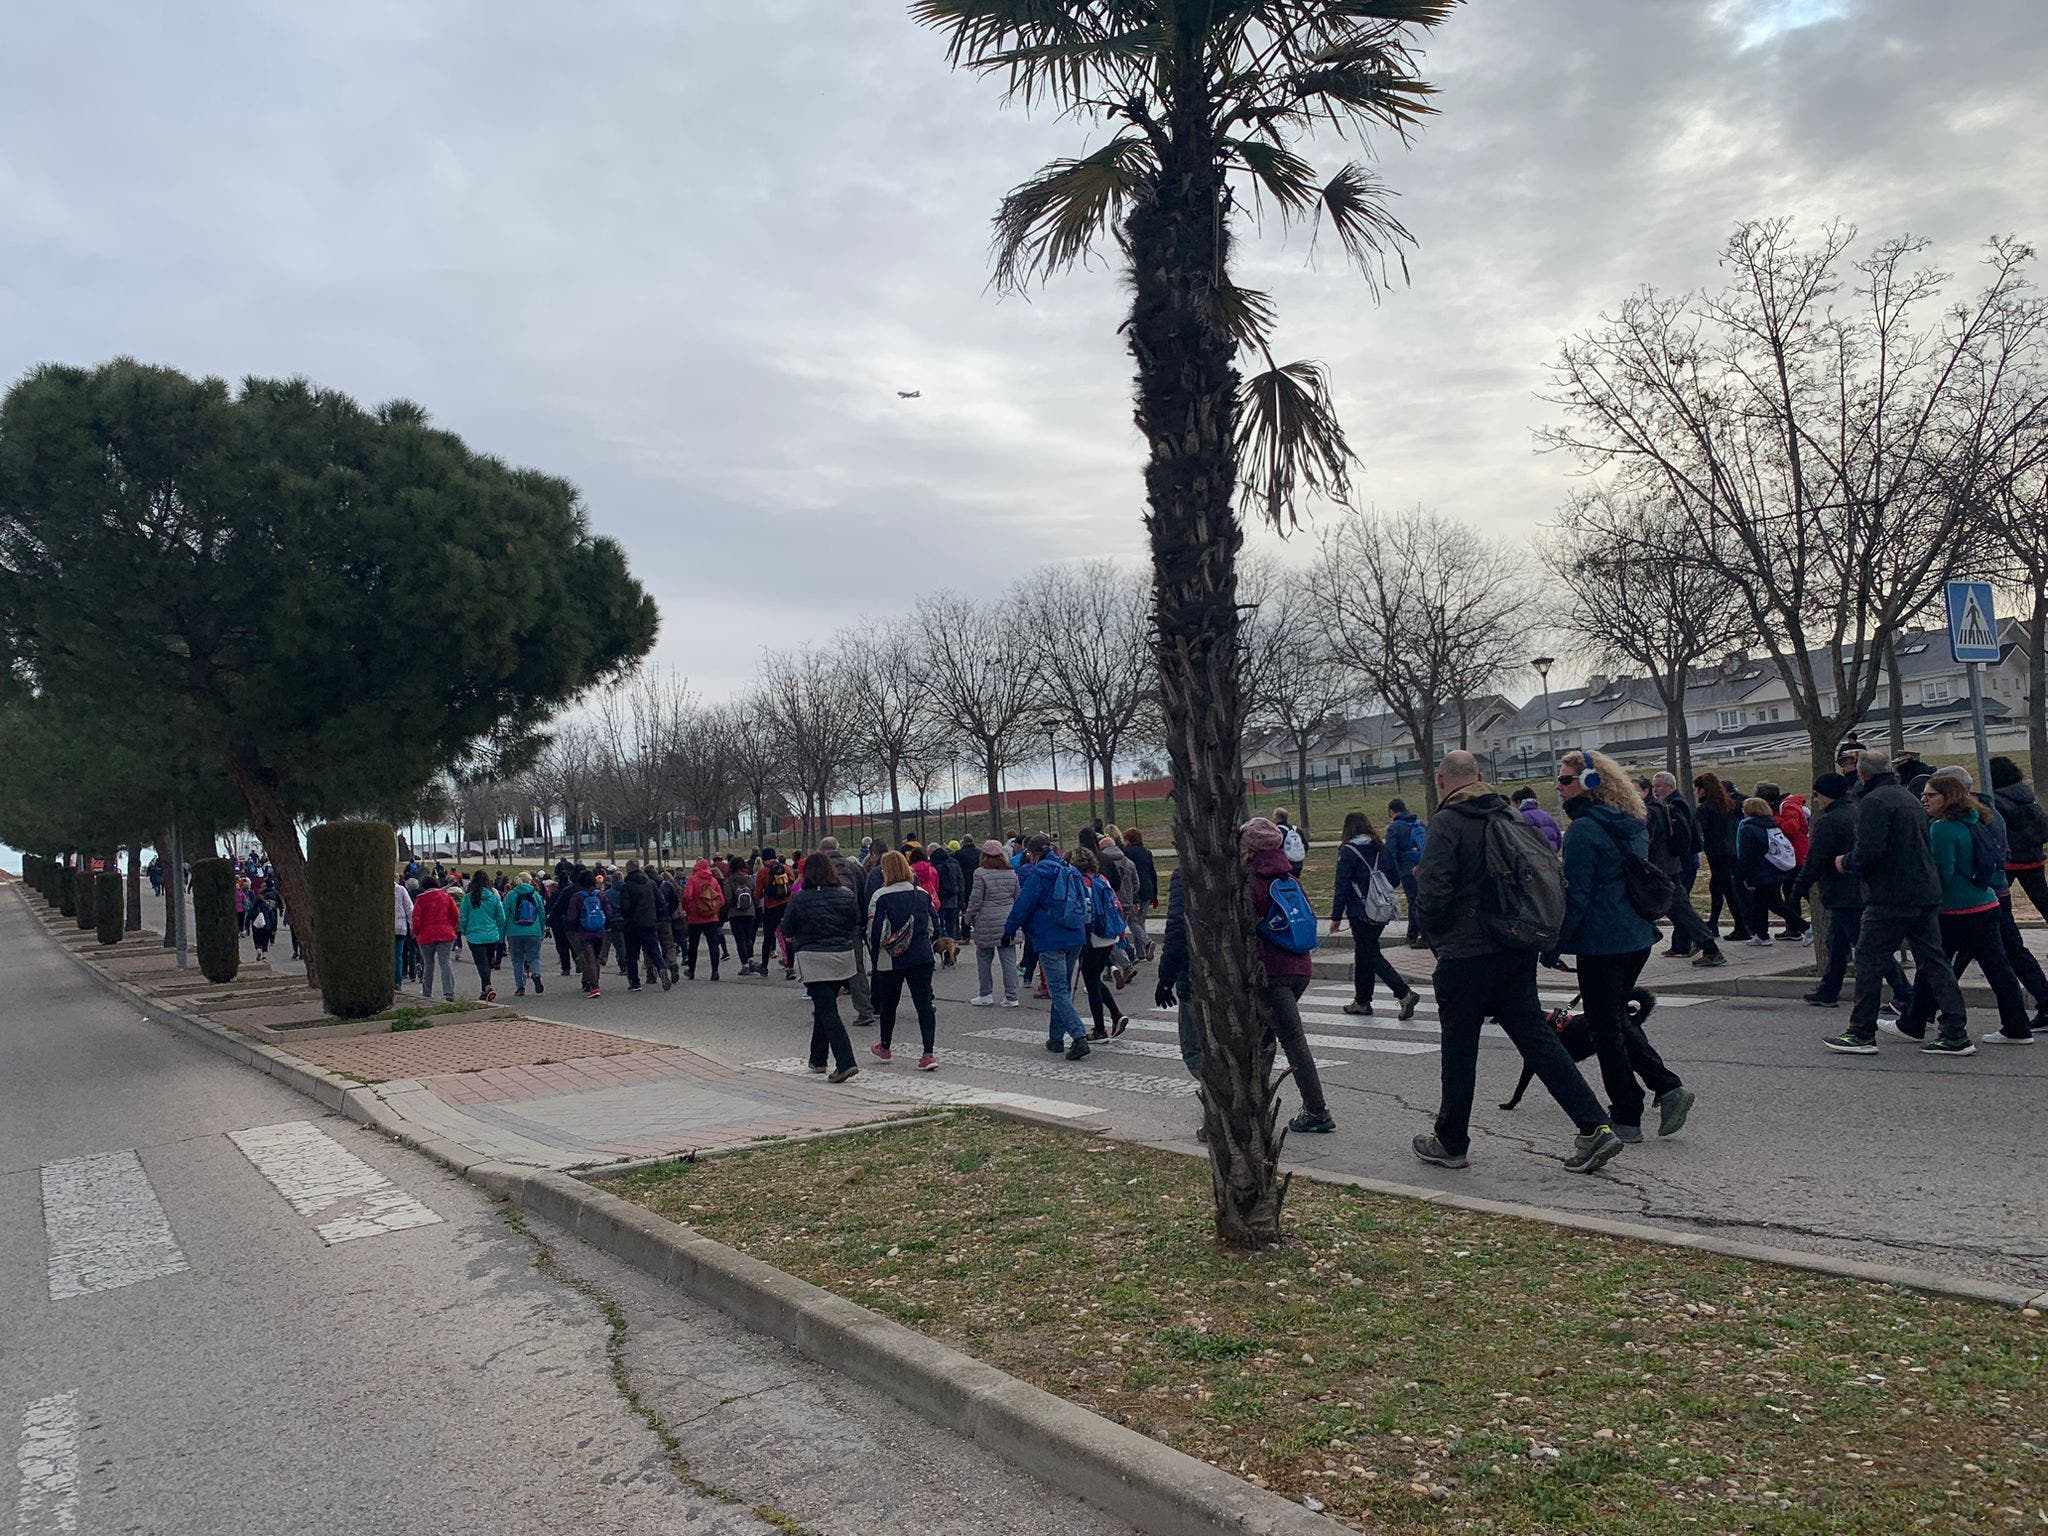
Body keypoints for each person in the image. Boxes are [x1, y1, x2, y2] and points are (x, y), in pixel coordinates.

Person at [1411, 750, 1624, 1174]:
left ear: (1441, 781)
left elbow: (1432, 893)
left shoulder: (1448, 822)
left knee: (1459, 1049)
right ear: (1481, 775)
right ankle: (1594, 1125)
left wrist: (1437, 937)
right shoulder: (1509, 814)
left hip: (1466, 953)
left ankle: (1451, 1141)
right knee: (1539, 1041)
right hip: (1514, 946)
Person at [1554, 751, 1695, 1144]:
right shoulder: (1631, 821)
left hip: (1603, 942)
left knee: (1604, 1030)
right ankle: (1667, 1087)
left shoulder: (1583, 831)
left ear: (1591, 783)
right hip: (1636, 936)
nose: (1558, 787)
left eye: (1565, 780)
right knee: (1613, 1018)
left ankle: (1627, 1114)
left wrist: (1554, 944)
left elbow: (1577, 897)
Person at [1823, 748, 1970, 1055]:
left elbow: (1870, 850)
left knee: (1869, 958)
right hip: (1924, 890)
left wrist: (1845, 862)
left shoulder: (1874, 801)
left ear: (1862, 773)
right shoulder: (1908, 797)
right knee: (1934, 961)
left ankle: (1861, 1031)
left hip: (1890, 895)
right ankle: (1955, 1030)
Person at [1891, 770, 2031, 1047]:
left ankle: (1919, 1023)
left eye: (1930, 795)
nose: (1924, 799)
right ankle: (2017, 1026)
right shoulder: (1976, 818)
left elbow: (1941, 873)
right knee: (1997, 967)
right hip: (1986, 901)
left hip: (1955, 909)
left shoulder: (1942, 828)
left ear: (1948, 797)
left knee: (1934, 966)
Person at [1240, 817, 1334, 1134]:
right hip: (1299, 967)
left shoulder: (1252, 881)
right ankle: (1253, 1106)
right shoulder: (1289, 877)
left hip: (1271, 972)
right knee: (1264, 1038)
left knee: (1291, 1040)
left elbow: (1243, 927)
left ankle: (1317, 1110)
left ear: (1248, 848)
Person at [1793, 773, 1909, 1011]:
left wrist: (1798, 889)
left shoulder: (1829, 821)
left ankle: (1905, 992)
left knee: (1869, 947)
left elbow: (1816, 859)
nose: (1816, 800)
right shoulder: (1856, 811)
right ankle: (1828, 990)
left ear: (1825, 795)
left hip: (1843, 892)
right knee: (1837, 943)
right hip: (1860, 888)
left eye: (1817, 795)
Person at [1002, 834, 1092, 1059]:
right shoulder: (1070, 870)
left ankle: (1079, 1036)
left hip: (1050, 937)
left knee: (1058, 990)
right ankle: (1055, 1038)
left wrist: (1009, 929)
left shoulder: (1039, 873)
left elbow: (1024, 904)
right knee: (1062, 988)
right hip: (1075, 934)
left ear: (1033, 854)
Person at [779, 852, 861, 1081]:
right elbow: (854, 923)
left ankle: (846, 1062)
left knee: (827, 1010)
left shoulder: (800, 898)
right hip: (842, 957)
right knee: (824, 1005)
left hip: (813, 958)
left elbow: (787, 928)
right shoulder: (846, 894)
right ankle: (818, 1058)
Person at [1328, 810, 1418, 1019]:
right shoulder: (1380, 847)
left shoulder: (1347, 851)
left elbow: (1342, 885)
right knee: (1364, 954)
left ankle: (1404, 993)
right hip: (1380, 909)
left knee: (1370, 954)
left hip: (1360, 910)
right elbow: (1394, 879)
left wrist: (1336, 916)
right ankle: (1362, 1000)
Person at [866, 850, 942, 1069]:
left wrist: (876, 953)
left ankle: (885, 1046)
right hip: (921, 954)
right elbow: (935, 926)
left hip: (892, 958)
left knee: (889, 1003)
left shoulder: (880, 896)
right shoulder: (922, 894)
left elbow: (875, 931)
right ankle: (928, 1053)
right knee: (924, 1004)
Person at [1068, 848, 1133, 1041]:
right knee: (1094, 978)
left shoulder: (1079, 881)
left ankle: (1100, 1028)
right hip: (1109, 934)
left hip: (1092, 936)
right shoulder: (1101, 879)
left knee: (1091, 982)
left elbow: (1083, 911)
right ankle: (1115, 1014)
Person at [1734, 796, 1804, 946]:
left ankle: (1804, 927)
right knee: (1761, 904)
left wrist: (1740, 874)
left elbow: (1746, 854)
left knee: (1774, 904)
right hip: (1775, 869)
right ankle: (1762, 935)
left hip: (1760, 872)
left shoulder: (1748, 828)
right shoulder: (1771, 825)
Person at [1691, 773, 1750, 941]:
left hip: (1716, 853)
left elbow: (1699, 830)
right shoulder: (1728, 804)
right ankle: (1713, 923)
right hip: (1730, 850)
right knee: (1717, 887)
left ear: (1703, 790)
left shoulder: (1705, 808)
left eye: (1696, 789)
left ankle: (1741, 926)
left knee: (1727, 890)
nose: (1695, 793)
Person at [963, 839, 1022, 1007]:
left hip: (986, 921)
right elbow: (1018, 897)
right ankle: (1012, 997)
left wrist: (968, 916)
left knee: (984, 958)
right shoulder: (1011, 873)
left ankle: (986, 994)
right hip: (1008, 920)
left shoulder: (980, 873)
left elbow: (976, 899)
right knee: (1009, 960)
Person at [1991, 756, 2048, 924]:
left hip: (2010, 860)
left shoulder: (1995, 801)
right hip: (2034, 857)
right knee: (2043, 899)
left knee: (1995, 902)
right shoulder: (2026, 795)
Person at [1096, 826, 1143, 984]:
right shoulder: (1127, 861)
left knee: (1111, 936)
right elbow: (1136, 884)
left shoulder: (1102, 862)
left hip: (1111, 903)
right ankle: (1119, 965)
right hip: (1126, 903)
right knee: (1119, 933)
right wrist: (1131, 897)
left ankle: (1123, 964)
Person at [456, 870, 505, 1001]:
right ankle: (485, 990)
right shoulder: (494, 897)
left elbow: (463, 917)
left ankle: (487, 986)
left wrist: (464, 931)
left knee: (481, 964)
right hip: (492, 935)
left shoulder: (469, 898)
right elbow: (501, 917)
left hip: (475, 936)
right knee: (487, 963)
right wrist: (498, 929)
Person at [1385, 799, 1428, 947]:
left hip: (1407, 869)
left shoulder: (1394, 828)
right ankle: (1412, 935)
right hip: (1423, 867)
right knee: (1419, 900)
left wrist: (1390, 873)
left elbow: (1390, 853)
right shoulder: (1420, 823)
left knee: (1414, 902)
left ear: (1391, 811)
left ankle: (1424, 936)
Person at [411, 876, 460, 1001]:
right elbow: (455, 914)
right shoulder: (446, 896)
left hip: (426, 935)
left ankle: (427, 992)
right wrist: (451, 927)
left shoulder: (420, 899)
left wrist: (416, 932)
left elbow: (416, 919)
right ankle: (448, 992)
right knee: (445, 962)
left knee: (428, 964)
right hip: (445, 932)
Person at [678, 858, 726, 981]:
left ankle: (691, 970)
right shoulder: (713, 880)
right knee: (713, 944)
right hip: (711, 917)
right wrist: (714, 909)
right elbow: (721, 899)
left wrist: (688, 909)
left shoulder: (692, 880)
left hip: (695, 917)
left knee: (693, 945)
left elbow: (687, 896)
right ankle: (715, 971)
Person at [502, 872, 547, 998]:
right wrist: (541, 930)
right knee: (534, 957)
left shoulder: (511, 895)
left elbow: (504, 915)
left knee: (517, 960)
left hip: (514, 931)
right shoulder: (536, 895)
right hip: (533, 931)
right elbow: (542, 914)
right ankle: (536, 974)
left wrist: (502, 935)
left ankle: (520, 987)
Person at [568, 868, 609, 998]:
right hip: (600, 930)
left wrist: (573, 927)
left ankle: (594, 986)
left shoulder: (577, 897)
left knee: (589, 958)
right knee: (596, 958)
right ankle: (596, 983)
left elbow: (572, 917)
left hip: (585, 931)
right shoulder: (601, 895)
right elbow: (608, 911)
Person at [754, 850, 794, 977]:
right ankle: (790, 968)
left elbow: (757, 894)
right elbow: (792, 885)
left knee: (767, 938)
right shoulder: (786, 868)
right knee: (788, 937)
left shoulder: (763, 872)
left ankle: (764, 966)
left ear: (763, 859)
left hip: (771, 908)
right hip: (786, 906)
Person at [1122, 827, 1159, 961]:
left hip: (1135, 890)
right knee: (1140, 921)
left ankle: (1146, 942)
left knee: (1132, 921)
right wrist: (1155, 894)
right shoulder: (1147, 852)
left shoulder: (1126, 853)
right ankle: (1141, 952)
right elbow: (1153, 873)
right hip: (1148, 889)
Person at [933, 839, 964, 965]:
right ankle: (951, 950)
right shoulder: (954, 863)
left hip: (940, 900)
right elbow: (960, 881)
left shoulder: (934, 865)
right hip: (953, 899)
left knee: (941, 926)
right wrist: (961, 898)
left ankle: (945, 948)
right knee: (951, 926)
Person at [1509, 787, 1562, 852]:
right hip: (1551, 853)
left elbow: (1524, 840)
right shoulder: (1546, 815)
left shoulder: (1523, 816)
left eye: (1513, 804)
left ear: (1518, 802)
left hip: (1535, 854)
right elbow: (1558, 837)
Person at [392, 876, 415, 989]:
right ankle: (397, 981)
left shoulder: (399, 890)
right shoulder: (401, 890)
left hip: (397, 927)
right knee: (398, 955)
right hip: (400, 927)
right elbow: (409, 908)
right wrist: (412, 925)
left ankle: (396, 980)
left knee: (396, 955)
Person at [1273, 808, 1307, 878]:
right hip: (1298, 864)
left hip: (1285, 866)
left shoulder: (1278, 832)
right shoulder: (1297, 830)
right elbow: (1306, 846)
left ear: (1278, 819)